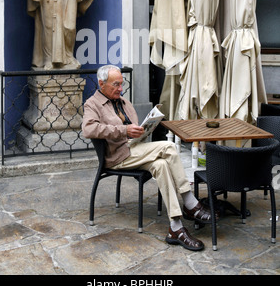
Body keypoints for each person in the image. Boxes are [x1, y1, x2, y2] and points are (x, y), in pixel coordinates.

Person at [83, 65, 216, 251]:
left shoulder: (123, 102)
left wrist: (144, 129)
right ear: (101, 83)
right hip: (118, 156)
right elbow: (88, 129)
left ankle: (175, 228)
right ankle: (189, 202)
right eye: (116, 84)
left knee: (161, 165)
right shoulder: (92, 104)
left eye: (121, 84)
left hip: (136, 150)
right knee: (168, 146)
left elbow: (135, 130)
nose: (121, 89)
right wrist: (124, 130)